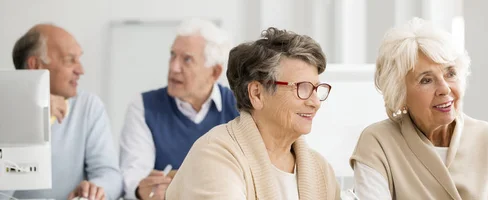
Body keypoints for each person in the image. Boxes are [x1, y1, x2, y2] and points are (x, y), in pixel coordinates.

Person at [350, 18, 488, 200]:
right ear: (400, 94)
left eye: (450, 73)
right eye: (426, 80)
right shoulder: (378, 143)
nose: (444, 88)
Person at [166, 27, 340, 199]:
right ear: (257, 93)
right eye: (302, 88)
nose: (315, 102)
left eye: (316, 89)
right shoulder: (214, 155)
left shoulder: (321, 170)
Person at [119, 19, 239, 200]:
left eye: (187, 59)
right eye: (172, 55)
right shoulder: (143, 106)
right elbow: (133, 176)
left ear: (214, 72)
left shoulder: (240, 106)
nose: (174, 67)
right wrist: (141, 190)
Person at [5, 24, 122, 200]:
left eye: (79, 59)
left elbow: (109, 175)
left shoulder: (89, 106)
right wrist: (31, 115)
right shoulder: (5, 108)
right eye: (70, 60)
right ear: (35, 65)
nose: (80, 70)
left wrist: (95, 190)